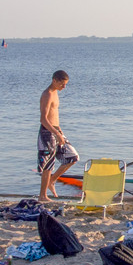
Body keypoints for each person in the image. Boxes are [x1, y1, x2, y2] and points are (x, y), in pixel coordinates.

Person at [38, 71, 79, 203]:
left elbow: (54, 114)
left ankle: (52, 181)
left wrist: (59, 130)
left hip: (55, 130)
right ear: (54, 80)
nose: (64, 87)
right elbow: (43, 119)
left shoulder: (55, 93)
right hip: (47, 132)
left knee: (72, 157)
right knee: (48, 165)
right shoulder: (47, 94)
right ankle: (42, 196)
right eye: (62, 84)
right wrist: (56, 133)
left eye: (65, 84)